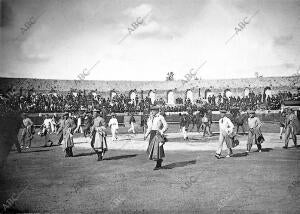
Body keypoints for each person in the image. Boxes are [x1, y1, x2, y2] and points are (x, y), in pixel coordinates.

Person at [145, 106, 168, 170]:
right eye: (151, 110)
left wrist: (161, 131)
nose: (152, 112)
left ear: (157, 111)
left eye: (153, 110)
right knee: (152, 149)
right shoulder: (150, 118)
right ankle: (159, 161)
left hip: (157, 134)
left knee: (157, 149)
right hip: (152, 134)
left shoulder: (160, 117)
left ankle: (158, 164)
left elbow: (166, 125)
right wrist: (146, 134)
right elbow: (149, 127)